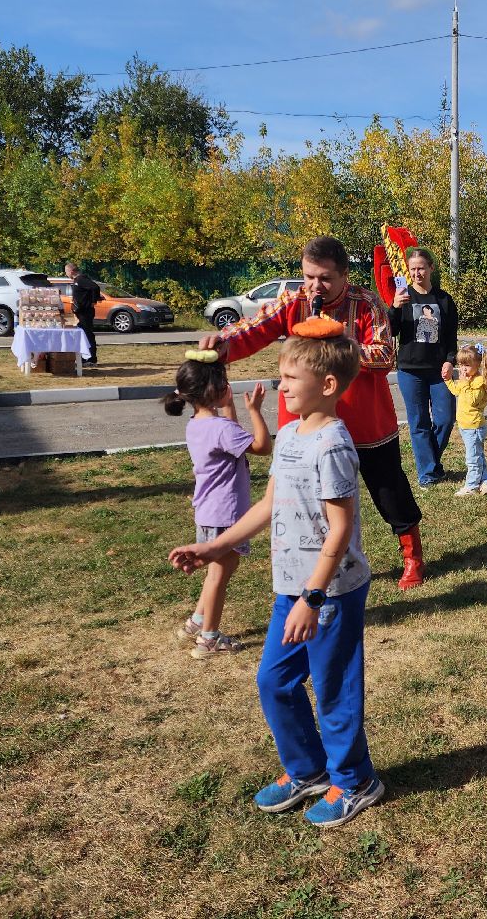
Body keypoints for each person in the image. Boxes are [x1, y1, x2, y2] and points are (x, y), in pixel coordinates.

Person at [169, 318, 384, 828]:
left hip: (327, 592)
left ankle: (354, 780)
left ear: (327, 386)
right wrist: (213, 545)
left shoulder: (332, 444)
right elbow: (268, 502)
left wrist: (313, 597)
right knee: (274, 680)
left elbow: (339, 529)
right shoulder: (288, 434)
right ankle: (306, 769)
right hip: (291, 587)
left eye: (289, 379)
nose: (280, 387)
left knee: (333, 687)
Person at [198, 236, 428, 590]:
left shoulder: (366, 303)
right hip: (303, 426)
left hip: (366, 422)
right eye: (309, 277)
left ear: (345, 276)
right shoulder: (293, 301)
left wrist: (342, 344)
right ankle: (314, 561)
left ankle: (411, 554)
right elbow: (255, 329)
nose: (315, 287)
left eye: (325, 279)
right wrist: (223, 342)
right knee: (299, 496)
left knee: (388, 489)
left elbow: (384, 356)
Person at [163, 354, 273, 658]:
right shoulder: (223, 429)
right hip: (226, 513)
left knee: (216, 571)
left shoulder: (199, 424)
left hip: (208, 510)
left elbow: (232, 434)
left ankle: (196, 622)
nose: (228, 384)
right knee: (219, 575)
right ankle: (209, 639)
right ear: (213, 390)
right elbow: (263, 447)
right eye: (223, 380)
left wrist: (228, 404)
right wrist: (256, 411)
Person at [389, 247, 459, 488]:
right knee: (419, 423)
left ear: (431, 268)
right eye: (412, 269)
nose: (417, 273)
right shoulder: (403, 298)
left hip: (439, 371)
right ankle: (428, 474)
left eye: (421, 268)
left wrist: (450, 360)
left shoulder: (444, 300)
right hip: (410, 370)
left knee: (446, 420)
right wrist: (395, 307)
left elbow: (451, 337)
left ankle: (431, 464)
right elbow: (390, 331)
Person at [445, 343, 487, 497]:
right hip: (466, 425)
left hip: (474, 427)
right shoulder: (467, 379)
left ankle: (471, 486)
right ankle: (485, 482)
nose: (462, 369)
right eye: (460, 364)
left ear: (477, 364)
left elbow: (472, 400)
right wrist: (448, 380)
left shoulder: (478, 382)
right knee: (478, 455)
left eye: (466, 365)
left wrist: (464, 383)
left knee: (472, 459)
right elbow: (456, 391)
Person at [65, 261, 100, 365]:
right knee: (82, 335)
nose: (65, 274)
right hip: (80, 311)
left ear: (71, 271)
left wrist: (93, 301)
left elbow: (95, 287)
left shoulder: (81, 279)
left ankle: (91, 359)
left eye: (66, 271)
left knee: (87, 334)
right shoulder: (77, 280)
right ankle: (85, 357)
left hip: (85, 312)